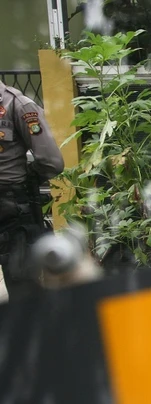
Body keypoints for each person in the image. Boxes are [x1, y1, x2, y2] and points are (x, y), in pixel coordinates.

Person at [0, 80, 64, 299]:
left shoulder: (18, 105)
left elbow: (51, 162)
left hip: (11, 210)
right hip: (10, 200)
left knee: (23, 289)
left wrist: (29, 177)